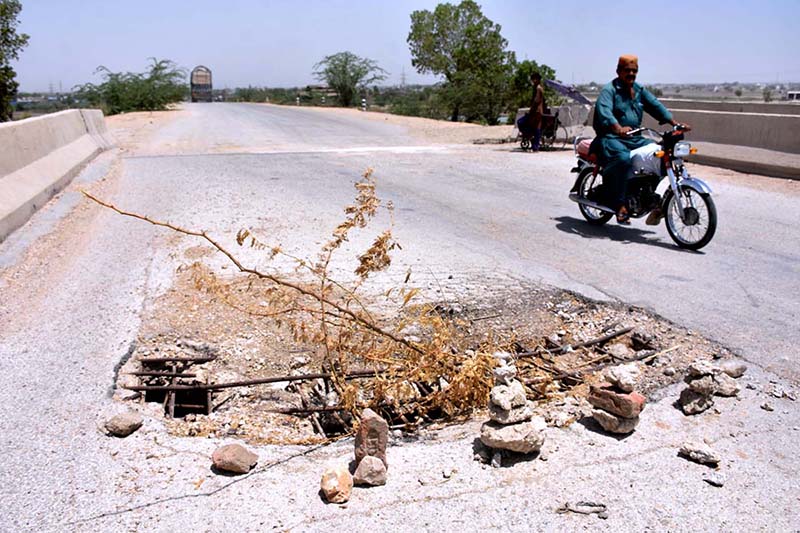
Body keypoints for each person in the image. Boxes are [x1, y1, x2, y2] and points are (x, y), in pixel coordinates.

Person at [592, 55, 689, 224]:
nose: (631, 73)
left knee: (660, 155)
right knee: (623, 159)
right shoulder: (610, 90)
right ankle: (619, 203)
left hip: (634, 138)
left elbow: (655, 105)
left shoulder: (638, 90)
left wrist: (674, 123)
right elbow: (604, 112)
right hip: (610, 138)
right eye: (627, 70)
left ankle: (648, 197)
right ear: (618, 71)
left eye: (634, 71)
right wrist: (618, 128)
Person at [528, 72, 545, 151]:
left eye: (534, 79)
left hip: (536, 111)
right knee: (536, 128)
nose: (533, 81)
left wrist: (531, 109)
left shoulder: (538, 88)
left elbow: (537, 100)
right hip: (538, 110)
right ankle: (535, 145)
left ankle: (535, 146)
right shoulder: (540, 87)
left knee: (535, 128)